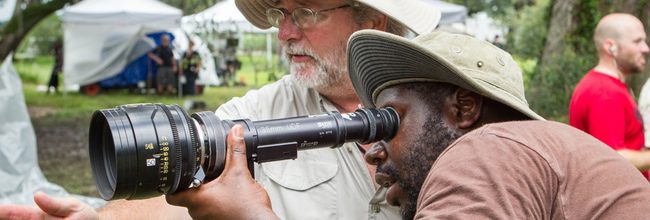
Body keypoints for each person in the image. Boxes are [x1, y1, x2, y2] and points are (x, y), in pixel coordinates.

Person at [0, 0, 442, 219]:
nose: (284, 33)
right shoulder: (258, 111)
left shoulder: (448, 112)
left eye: (305, 11)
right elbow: (174, 185)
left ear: (372, 21)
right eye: (279, 12)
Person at [167, 30, 650, 220]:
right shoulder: (535, 155)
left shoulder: (488, 148)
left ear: (463, 109)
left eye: (386, 123)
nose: (372, 151)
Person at [569, 13, 650, 178]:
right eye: (637, 42)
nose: (646, 48)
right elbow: (612, 159)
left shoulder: (608, 86)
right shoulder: (605, 92)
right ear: (610, 47)